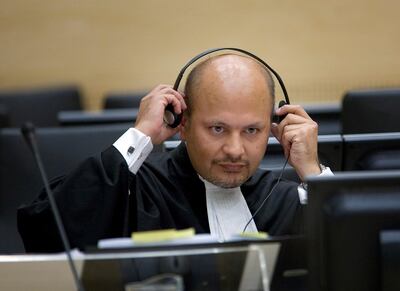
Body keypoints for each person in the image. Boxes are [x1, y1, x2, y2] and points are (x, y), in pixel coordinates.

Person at [18, 53, 332, 253]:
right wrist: (140, 135)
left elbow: (353, 262)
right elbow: (46, 231)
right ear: (183, 123)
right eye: (217, 129)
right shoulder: (136, 191)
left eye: (252, 130)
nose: (235, 150)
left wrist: (313, 174)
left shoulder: (285, 198)